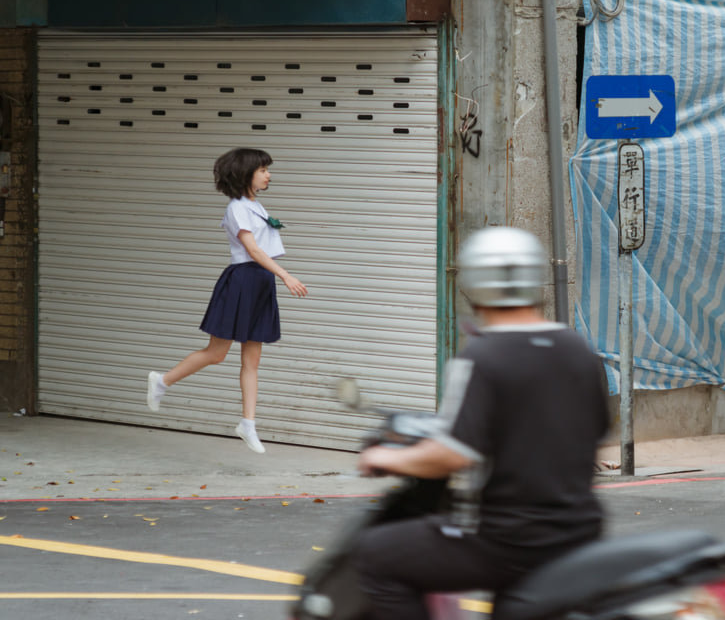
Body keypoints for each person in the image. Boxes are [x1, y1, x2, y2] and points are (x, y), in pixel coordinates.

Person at [354, 226, 609, 620]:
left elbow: (450, 454)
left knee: (375, 555)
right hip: (579, 531)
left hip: (506, 539)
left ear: (473, 284)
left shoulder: (483, 357)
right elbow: (592, 436)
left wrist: (385, 457)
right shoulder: (578, 350)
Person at [145, 147, 308, 453]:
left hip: (261, 281)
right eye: (263, 170)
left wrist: (276, 277)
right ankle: (162, 380)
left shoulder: (254, 204)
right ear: (247, 174)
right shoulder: (237, 208)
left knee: (253, 360)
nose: (268, 174)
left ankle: (248, 424)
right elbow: (254, 251)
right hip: (243, 280)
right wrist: (286, 275)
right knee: (217, 353)